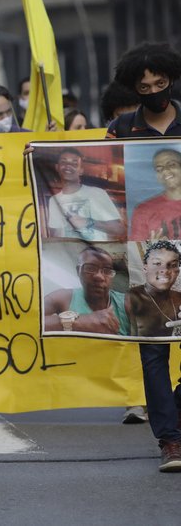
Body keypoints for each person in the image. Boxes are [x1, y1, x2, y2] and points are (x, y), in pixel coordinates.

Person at [103, 42, 181, 471]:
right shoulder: (121, 128)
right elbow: (104, 177)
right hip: (144, 251)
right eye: (144, 85)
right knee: (154, 349)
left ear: (170, 79)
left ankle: (174, 408)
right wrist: (43, 159)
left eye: (160, 83)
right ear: (133, 86)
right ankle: (170, 439)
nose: (152, 90)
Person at [42, 245, 128, 335]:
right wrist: (79, 322)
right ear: (78, 270)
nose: (99, 276)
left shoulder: (125, 303)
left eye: (107, 271)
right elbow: (29, 319)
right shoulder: (63, 297)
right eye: (90, 268)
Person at [46, 148, 126, 242]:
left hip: (96, 254)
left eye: (74, 163)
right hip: (70, 254)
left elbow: (119, 230)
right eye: (64, 162)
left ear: (81, 171)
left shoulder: (97, 193)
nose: (68, 165)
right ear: (57, 167)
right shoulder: (53, 200)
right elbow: (56, 235)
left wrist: (88, 222)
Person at [126, 241, 181, 338]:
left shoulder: (179, 298)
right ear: (145, 268)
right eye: (157, 263)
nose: (165, 270)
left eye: (172, 265)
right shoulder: (130, 298)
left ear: (177, 271)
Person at [129, 148, 181, 240]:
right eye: (159, 169)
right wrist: (152, 249)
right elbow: (136, 251)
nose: (165, 171)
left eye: (172, 164)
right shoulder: (143, 210)